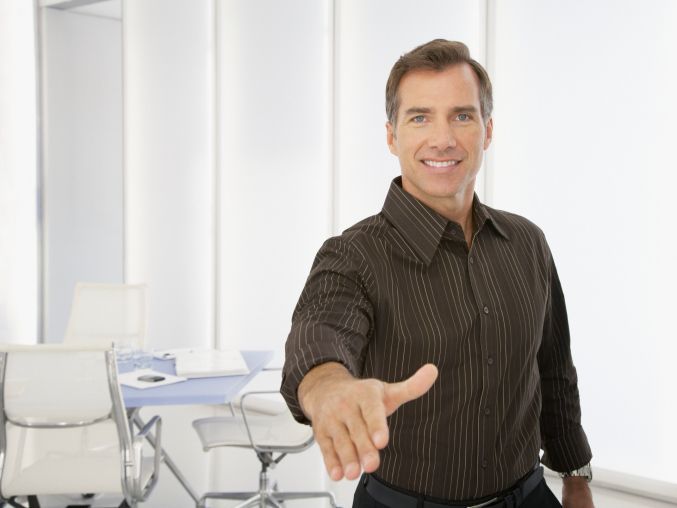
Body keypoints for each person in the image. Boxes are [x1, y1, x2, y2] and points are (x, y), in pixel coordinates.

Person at [281, 39, 594, 508]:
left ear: (487, 130)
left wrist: (575, 478)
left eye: (462, 116)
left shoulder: (528, 242)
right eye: (420, 117)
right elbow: (319, 332)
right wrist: (327, 388)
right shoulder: (353, 255)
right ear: (392, 136)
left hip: (530, 497)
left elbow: (554, 371)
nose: (443, 138)